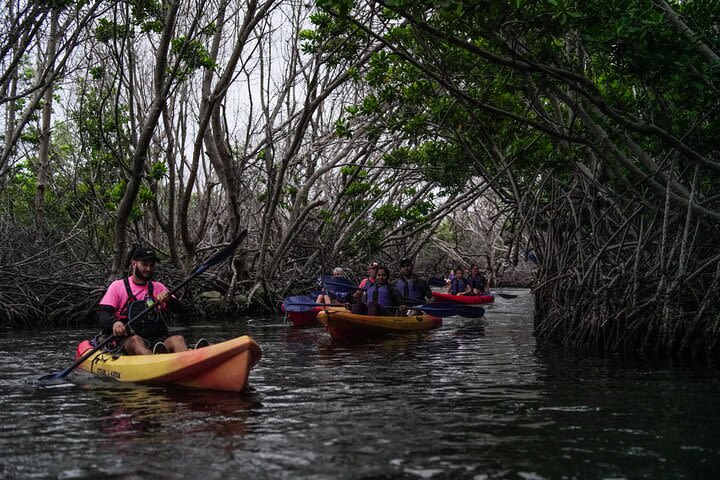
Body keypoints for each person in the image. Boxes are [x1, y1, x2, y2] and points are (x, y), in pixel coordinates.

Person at [98, 246, 190, 355]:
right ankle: (154, 364)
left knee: (178, 339)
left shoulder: (159, 288)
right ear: (134, 264)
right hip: (127, 341)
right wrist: (115, 323)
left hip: (156, 340)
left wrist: (169, 300)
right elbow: (103, 315)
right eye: (144, 264)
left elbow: (182, 311)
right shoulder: (117, 286)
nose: (149, 269)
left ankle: (189, 364)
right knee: (136, 340)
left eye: (152, 265)